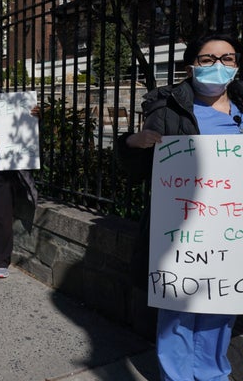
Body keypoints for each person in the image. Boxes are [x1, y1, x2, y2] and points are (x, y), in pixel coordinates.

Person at [117, 32, 243, 381]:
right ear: (192, 66)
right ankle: (176, 376)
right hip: (182, 231)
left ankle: (213, 374)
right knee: (178, 310)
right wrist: (134, 142)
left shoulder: (242, 107)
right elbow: (140, 168)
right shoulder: (167, 106)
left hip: (231, 232)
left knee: (222, 308)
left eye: (228, 59)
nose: (218, 66)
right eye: (208, 60)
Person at [0, 107, 39, 280]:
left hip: (3, 174)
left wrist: (33, 119)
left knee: (2, 218)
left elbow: (22, 132)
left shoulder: (6, 105)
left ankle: (1, 261)